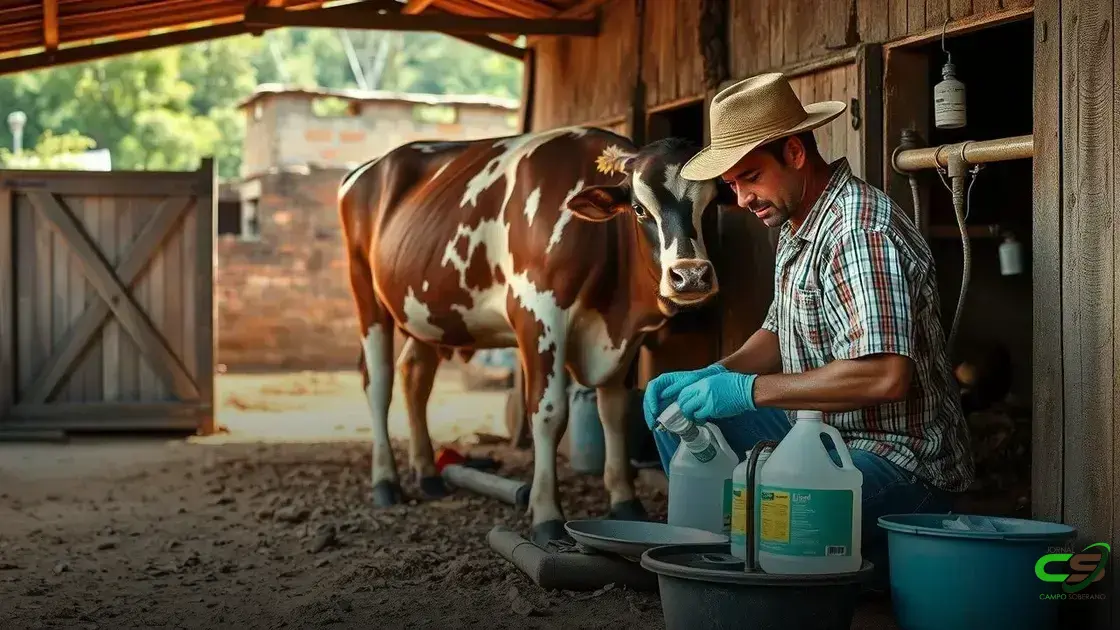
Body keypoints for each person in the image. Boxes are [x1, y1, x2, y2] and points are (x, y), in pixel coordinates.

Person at [643, 72, 975, 588]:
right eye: (732, 185)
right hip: (819, 437)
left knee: (764, 509)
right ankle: (742, 564)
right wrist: (710, 375)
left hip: (898, 461)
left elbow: (886, 377)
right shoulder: (797, 222)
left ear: (794, 153)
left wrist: (747, 391)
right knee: (684, 424)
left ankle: (828, 571)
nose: (744, 198)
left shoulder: (859, 232)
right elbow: (780, 332)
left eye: (750, 176)